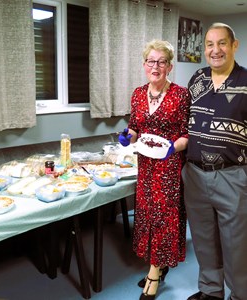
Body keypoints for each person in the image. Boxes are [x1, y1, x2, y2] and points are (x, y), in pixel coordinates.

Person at [119, 39, 191, 299]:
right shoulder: (138, 93)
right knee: (148, 213)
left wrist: (173, 148)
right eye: (151, 61)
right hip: (146, 164)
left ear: (170, 66)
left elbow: (186, 134)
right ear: (144, 65)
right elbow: (135, 126)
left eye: (162, 61)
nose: (156, 66)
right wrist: (128, 136)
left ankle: (153, 274)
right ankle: (158, 265)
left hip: (169, 165)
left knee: (164, 216)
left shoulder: (180, 94)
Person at [182, 23, 247, 300]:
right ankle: (210, 291)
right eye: (209, 44)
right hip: (195, 174)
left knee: (236, 244)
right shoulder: (197, 78)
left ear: (234, 45)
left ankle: (240, 294)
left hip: (232, 176)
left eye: (222, 43)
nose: (215, 50)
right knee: (203, 238)